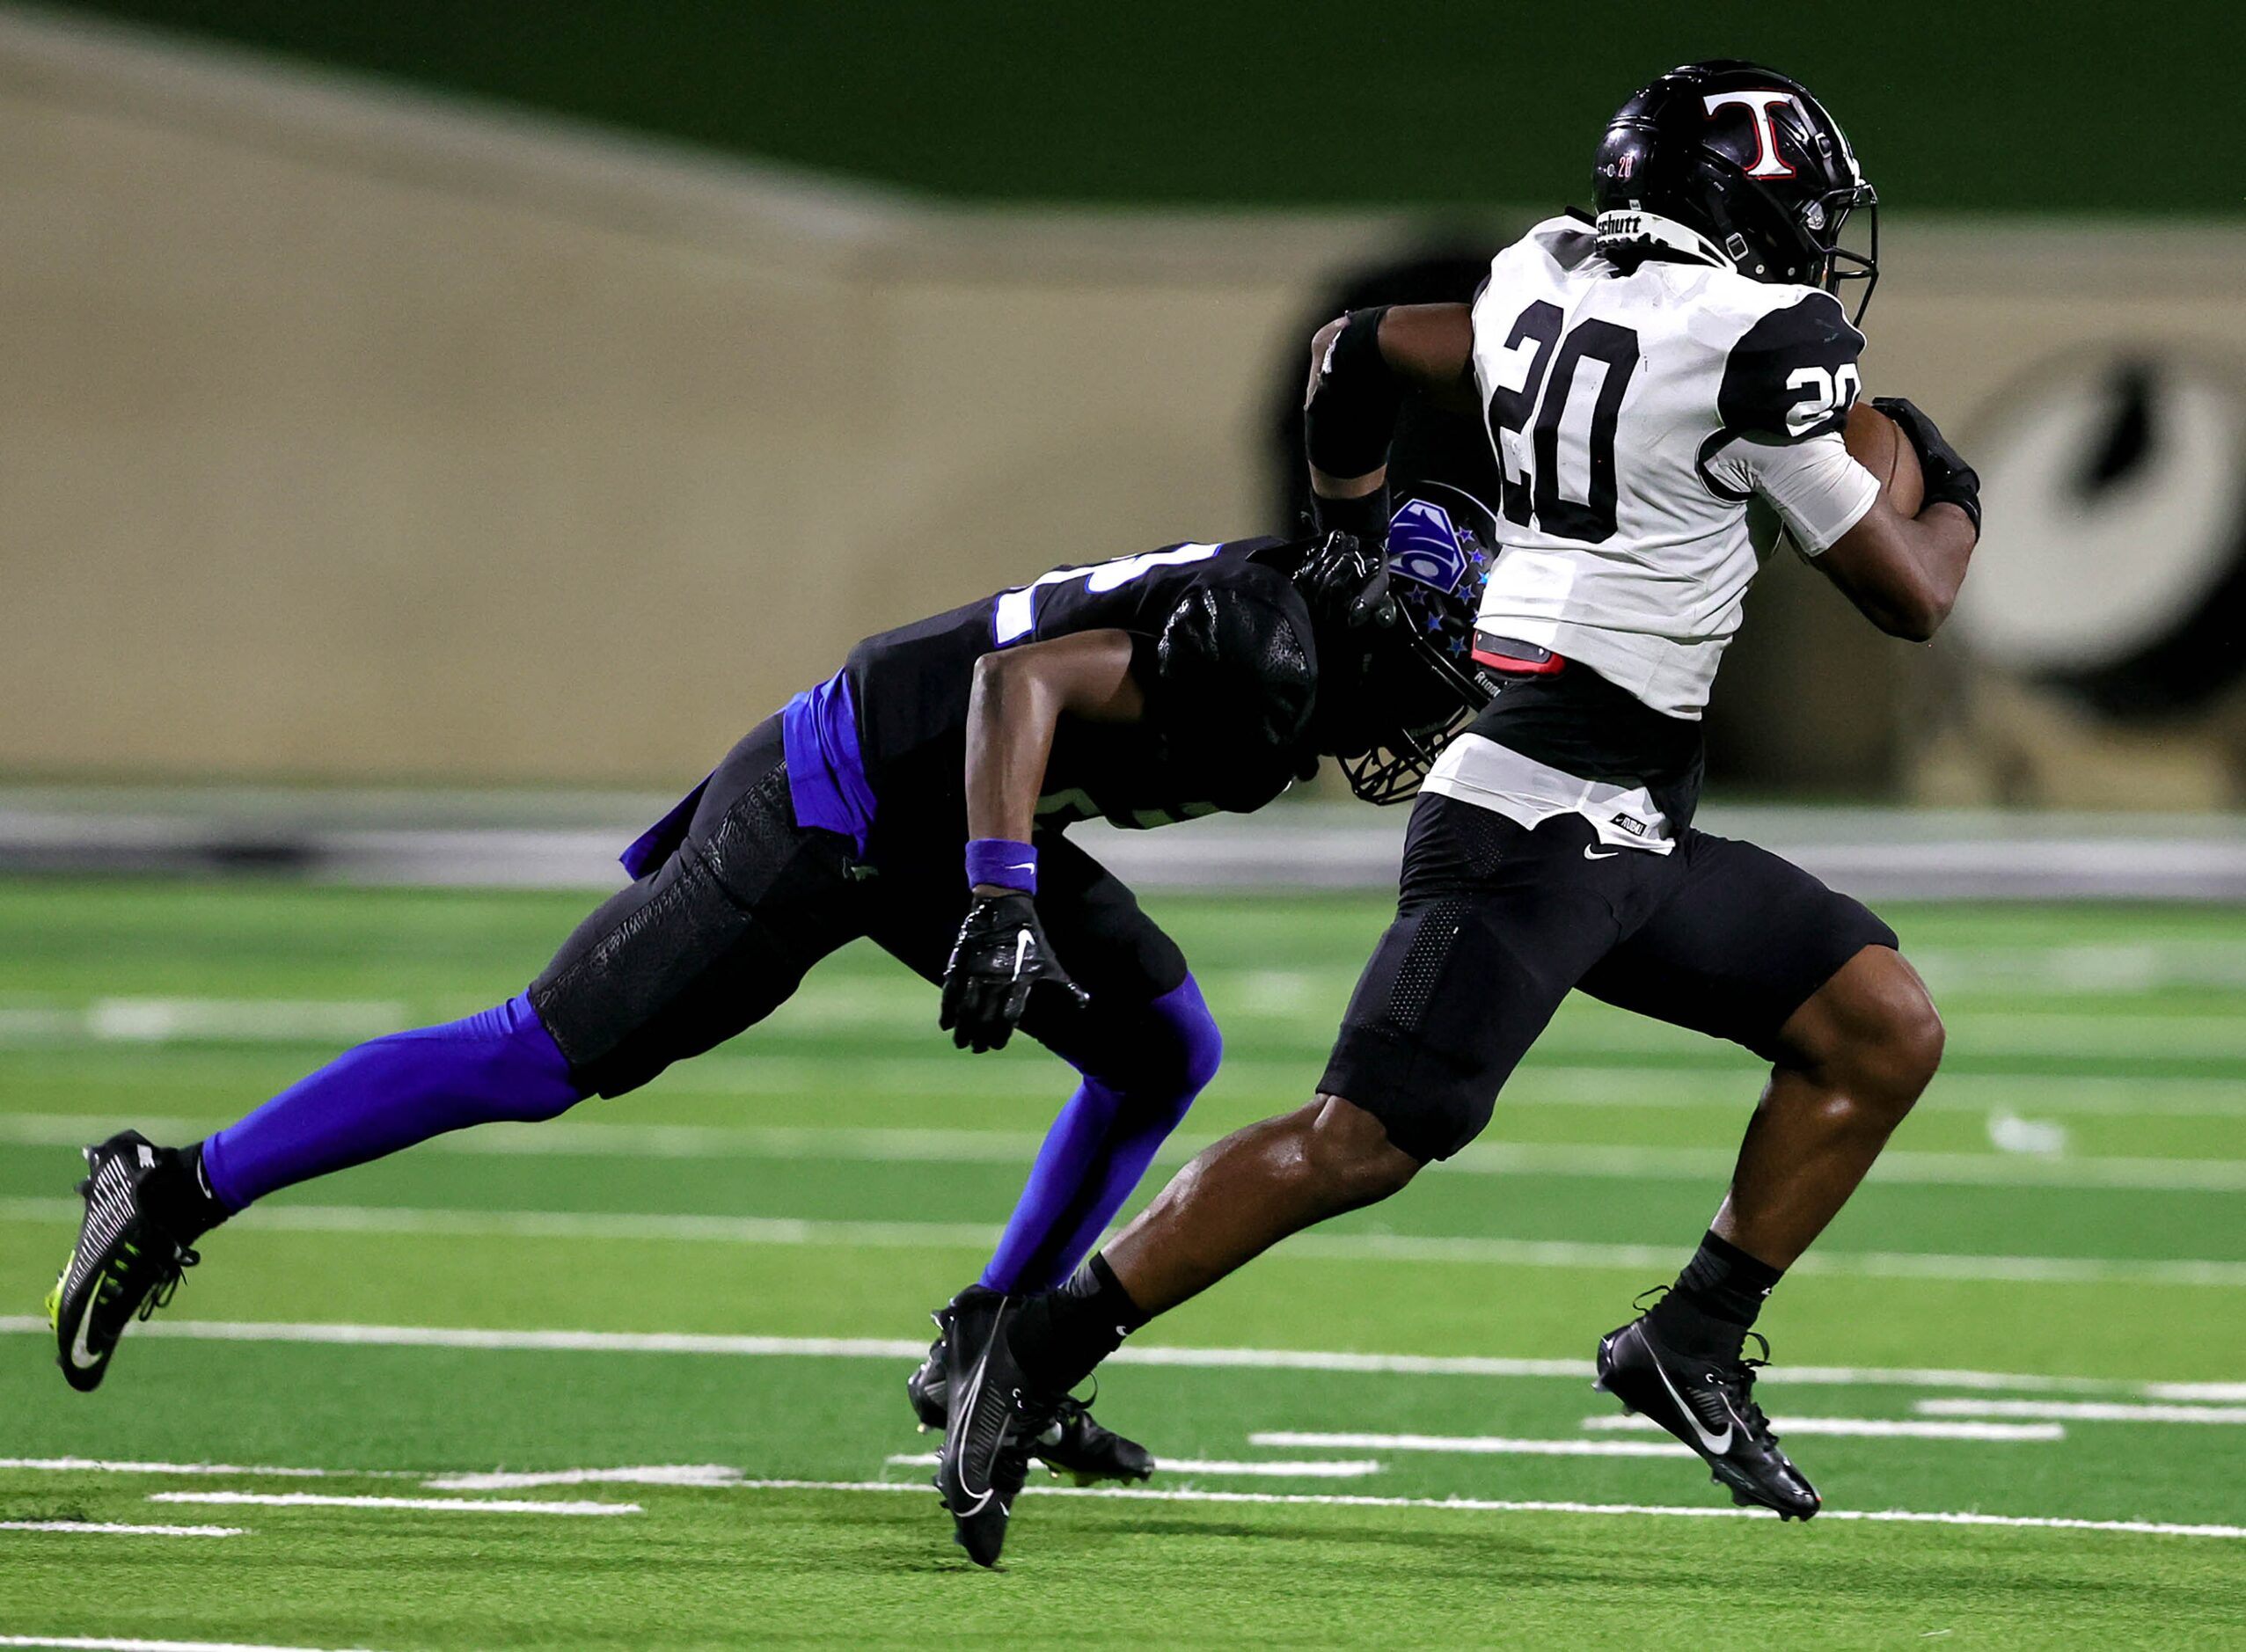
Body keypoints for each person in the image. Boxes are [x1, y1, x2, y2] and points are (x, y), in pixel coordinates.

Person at [937, 59, 1983, 1566]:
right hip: (1535, 815)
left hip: (1624, 812)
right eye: (1801, 212)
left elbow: (1350, 349)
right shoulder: (1760, 344)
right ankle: (1029, 1352)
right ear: (1738, 206)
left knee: (1878, 1024)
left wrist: (1347, 537)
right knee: (1358, 1139)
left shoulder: (1543, 271)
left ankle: (1688, 1338)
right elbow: (1912, 595)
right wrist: (1945, 477)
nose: (1819, 244)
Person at [45, 526, 1489, 1486]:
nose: (1436, 707)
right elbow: (1015, 683)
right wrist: (998, 893)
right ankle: (173, 1185)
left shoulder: (1296, 634)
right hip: (837, 800)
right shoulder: (1250, 641)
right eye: (1435, 667)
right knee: (538, 1054)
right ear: (1367, 633)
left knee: (1158, 1043)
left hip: (944, 825)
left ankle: (989, 1341)